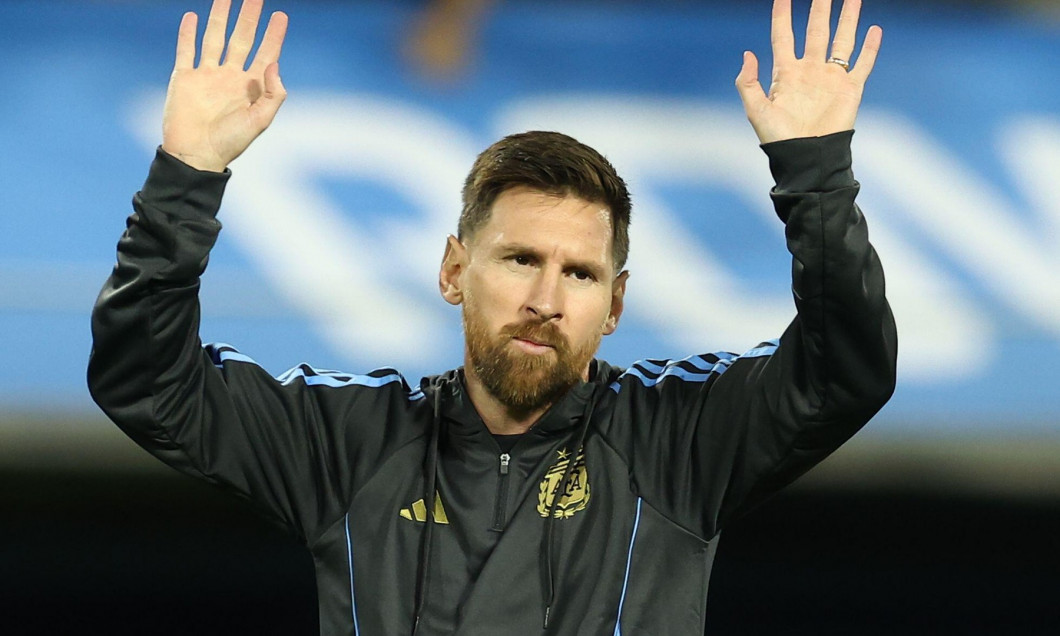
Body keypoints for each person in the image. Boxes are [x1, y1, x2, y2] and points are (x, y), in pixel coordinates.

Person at [87, 0, 896, 633]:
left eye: (579, 273)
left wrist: (815, 173)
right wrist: (186, 176)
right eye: (520, 260)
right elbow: (146, 380)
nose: (546, 299)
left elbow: (844, 368)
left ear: (614, 305)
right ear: (452, 270)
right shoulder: (351, 442)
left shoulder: (677, 441)